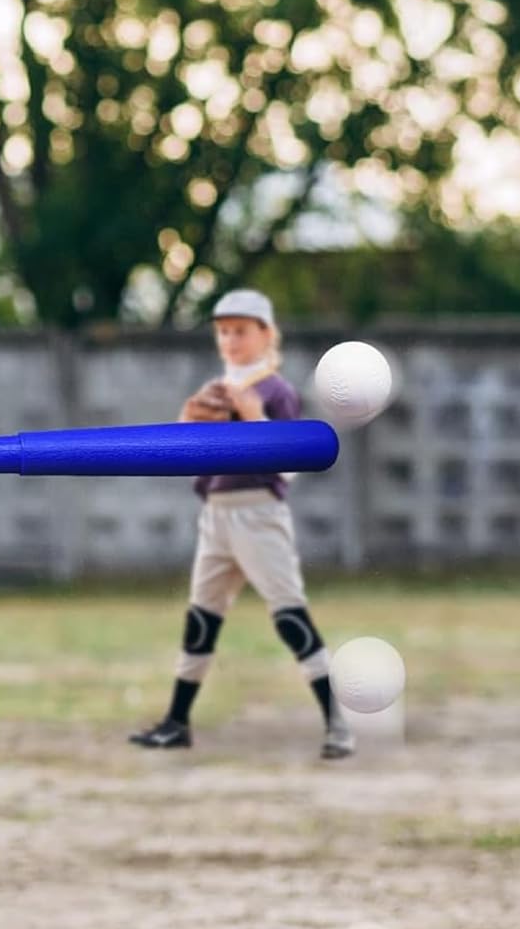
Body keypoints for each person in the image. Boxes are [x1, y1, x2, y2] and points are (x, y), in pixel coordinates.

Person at [128, 289, 354, 759]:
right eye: (224, 331)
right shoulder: (215, 388)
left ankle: (338, 724)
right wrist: (187, 422)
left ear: (267, 335)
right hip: (217, 512)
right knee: (201, 619)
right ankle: (176, 722)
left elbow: (289, 466)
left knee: (289, 614)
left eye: (242, 331)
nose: (231, 340)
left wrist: (253, 414)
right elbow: (188, 456)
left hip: (258, 512)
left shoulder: (277, 391)